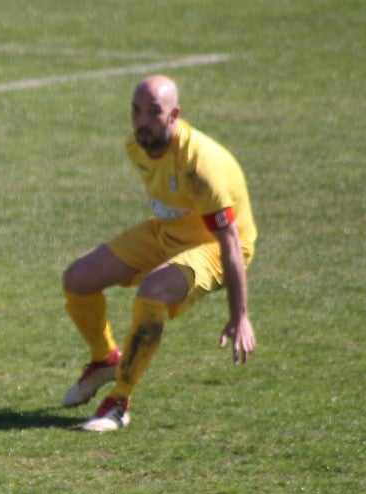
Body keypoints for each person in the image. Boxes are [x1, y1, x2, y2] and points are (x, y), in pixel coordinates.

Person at [61, 74, 257, 431]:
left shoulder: (198, 165)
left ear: (174, 114)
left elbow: (229, 239)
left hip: (215, 245)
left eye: (154, 112)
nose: (143, 121)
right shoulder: (137, 148)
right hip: (167, 232)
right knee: (77, 279)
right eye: (136, 111)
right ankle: (105, 359)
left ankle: (118, 402)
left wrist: (239, 315)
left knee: (152, 291)